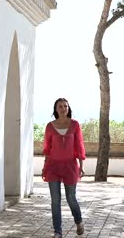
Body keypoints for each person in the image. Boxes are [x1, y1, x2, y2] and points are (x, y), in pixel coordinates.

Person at [41, 98, 86, 238]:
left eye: (65, 106)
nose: (63, 108)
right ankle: (58, 232)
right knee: (55, 200)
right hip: (53, 166)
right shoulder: (50, 126)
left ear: (68, 108)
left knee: (71, 198)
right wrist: (44, 167)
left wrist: (81, 166)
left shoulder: (75, 125)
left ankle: (78, 221)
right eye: (60, 106)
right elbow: (47, 149)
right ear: (56, 109)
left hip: (70, 166)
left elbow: (79, 146)